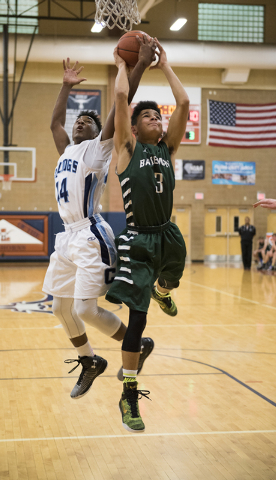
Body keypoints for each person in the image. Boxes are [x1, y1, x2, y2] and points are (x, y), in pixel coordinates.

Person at [43, 43, 156, 400]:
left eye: (88, 122)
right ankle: (90, 362)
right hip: (66, 238)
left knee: (84, 309)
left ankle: (135, 343)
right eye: (79, 120)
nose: (80, 123)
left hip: (91, 234)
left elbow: (120, 103)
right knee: (60, 306)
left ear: (97, 133)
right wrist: (66, 86)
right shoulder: (67, 150)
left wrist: (136, 65)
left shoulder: (97, 149)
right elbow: (55, 123)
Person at [106, 38, 189, 432]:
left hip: (167, 234)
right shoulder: (127, 149)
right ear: (136, 127)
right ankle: (129, 395)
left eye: (159, 115)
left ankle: (164, 289)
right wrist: (123, 64)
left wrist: (166, 66)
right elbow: (122, 98)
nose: (156, 118)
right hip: (138, 240)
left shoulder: (168, 150)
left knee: (176, 270)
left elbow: (185, 104)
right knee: (138, 322)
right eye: (149, 116)